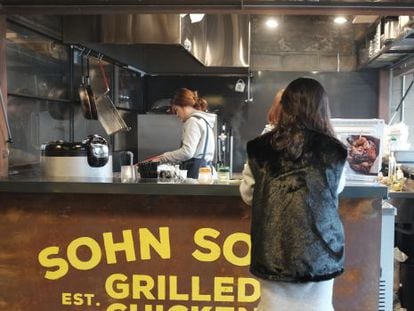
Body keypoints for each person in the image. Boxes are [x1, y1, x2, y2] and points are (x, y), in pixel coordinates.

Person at [239, 77, 347, 311]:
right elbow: (335, 191)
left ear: (285, 106)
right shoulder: (334, 150)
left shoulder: (259, 148)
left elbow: (248, 194)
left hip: (272, 252)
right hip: (320, 252)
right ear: (322, 107)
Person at [151, 88, 216, 179]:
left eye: (177, 111)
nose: (177, 115)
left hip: (196, 175)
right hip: (206, 173)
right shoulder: (203, 121)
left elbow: (187, 152)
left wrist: (163, 157)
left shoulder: (192, 121)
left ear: (184, 106)